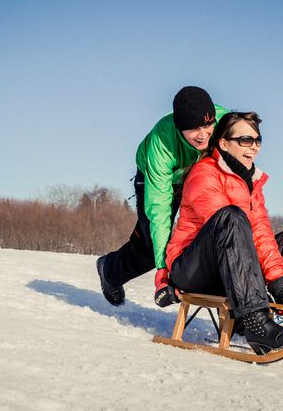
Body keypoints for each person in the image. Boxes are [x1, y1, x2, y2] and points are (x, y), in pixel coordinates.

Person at [164, 111, 283, 354]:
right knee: (231, 217)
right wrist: (270, 294)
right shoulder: (203, 174)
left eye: (257, 140)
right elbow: (230, 234)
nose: (254, 147)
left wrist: (279, 285)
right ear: (224, 144)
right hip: (195, 268)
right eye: (246, 140)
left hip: (235, 261)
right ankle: (257, 323)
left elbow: (261, 234)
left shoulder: (251, 181)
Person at [96, 86, 229, 306]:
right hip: (157, 179)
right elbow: (159, 210)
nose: (204, 134)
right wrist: (162, 270)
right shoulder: (162, 144)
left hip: (196, 176)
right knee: (154, 246)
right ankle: (110, 270)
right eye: (195, 129)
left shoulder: (225, 121)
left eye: (207, 125)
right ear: (179, 127)